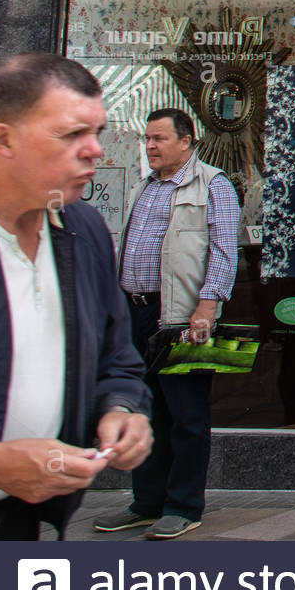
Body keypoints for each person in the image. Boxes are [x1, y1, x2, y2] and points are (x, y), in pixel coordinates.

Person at [0, 53, 152, 540]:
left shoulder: (83, 228)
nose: (95, 150)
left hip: (26, 520)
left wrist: (121, 408)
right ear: (4, 139)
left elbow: (117, 357)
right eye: (72, 134)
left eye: (97, 131)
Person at [93, 108, 239, 540]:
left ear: (187, 140)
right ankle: (146, 503)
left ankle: (183, 506)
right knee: (146, 411)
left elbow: (224, 252)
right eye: (147, 138)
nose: (150, 146)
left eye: (159, 138)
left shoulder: (214, 185)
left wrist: (207, 308)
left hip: (181, 316)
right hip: (134, 313)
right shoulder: (145, 186)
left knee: (186, 415)